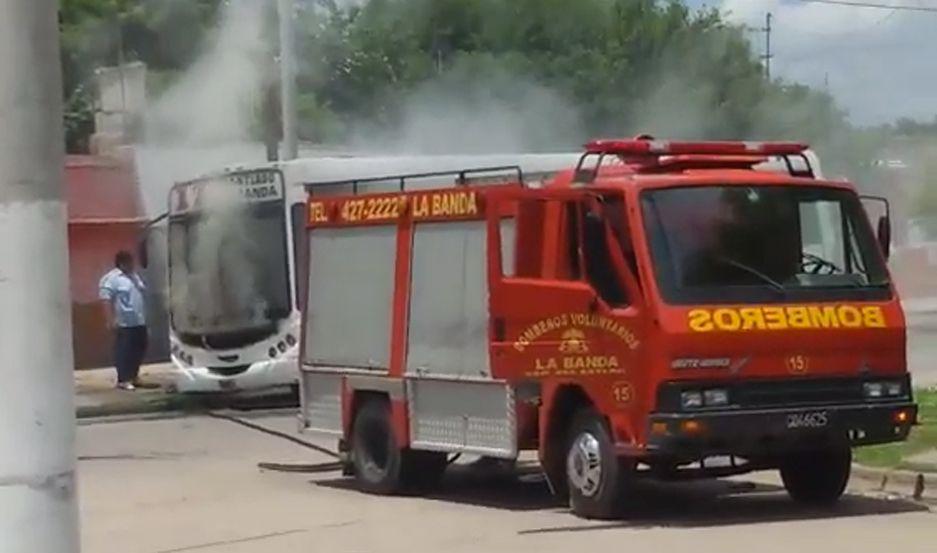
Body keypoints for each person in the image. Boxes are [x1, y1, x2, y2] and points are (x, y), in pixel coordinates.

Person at [99, 250, 148, 390]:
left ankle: (134, 376)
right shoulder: (112, 279)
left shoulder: (134, 276)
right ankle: (123, 379)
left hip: (138, 320)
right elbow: (106, 299)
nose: (133, 265)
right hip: (124, 322)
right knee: (124, 351)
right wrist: (110, 319)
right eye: (130, 262)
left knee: (139, 348)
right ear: (121, 263)